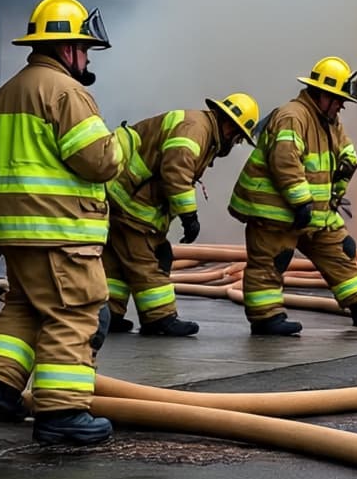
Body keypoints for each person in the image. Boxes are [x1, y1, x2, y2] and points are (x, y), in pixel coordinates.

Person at [0, 0, 122, 447]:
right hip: (61, 233)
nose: (88, 57)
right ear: (67, 49)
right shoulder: (67, 93)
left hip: (13, 236)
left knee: (25, 306)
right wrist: (121, 148)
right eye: (85, 48)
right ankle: (62, 411)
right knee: (75, 312)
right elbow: (97, 160)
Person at [229, 56, 357, 336]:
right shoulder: (293, 116)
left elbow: (345, 156)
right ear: (322, 94)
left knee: (340, 248)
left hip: (312, 210)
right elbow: (285, 161)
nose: (342, 105)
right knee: (271, 261)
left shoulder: (329, 120)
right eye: (339, 99)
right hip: (275, 212)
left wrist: (337, 190)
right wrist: (301, 200)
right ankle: (265, 318)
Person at [105, 93, 260, 337]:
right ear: (230, 126)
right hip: (131, 205)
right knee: (148, 261)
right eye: (239, 136)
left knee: (116, 262)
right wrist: (189, 216)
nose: (236, 143)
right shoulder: (196, 129)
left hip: (126, 198)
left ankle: (109, 314)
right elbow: (175, 171)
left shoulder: (204, 130)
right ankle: (160, 318)